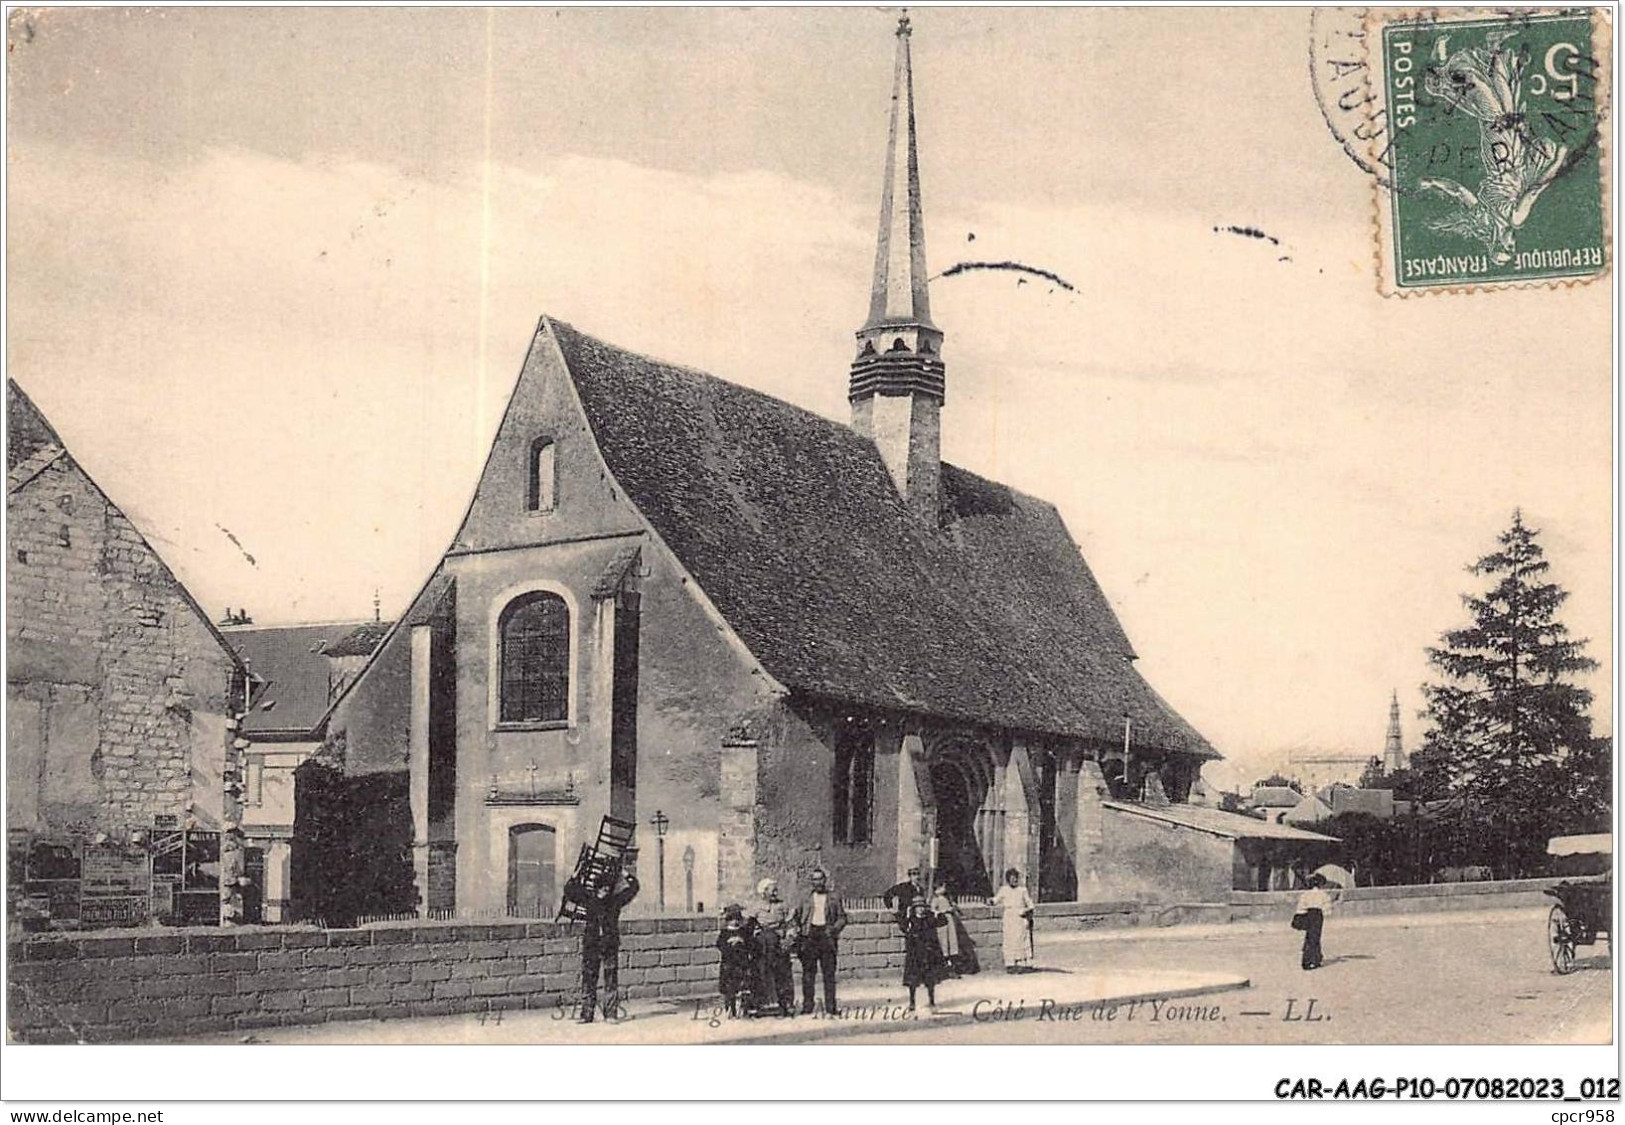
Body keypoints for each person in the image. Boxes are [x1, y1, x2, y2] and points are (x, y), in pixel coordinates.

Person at [578, 866, 639, 1023]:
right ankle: (586, 1014)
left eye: (607, 887)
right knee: (588, 979)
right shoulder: (589, 900)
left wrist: (623, 873)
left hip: (609, 945)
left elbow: (634, 887)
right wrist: (577, 873)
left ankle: (610, 1014)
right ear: (597, 888)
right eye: (602, 888)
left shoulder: (615, 902)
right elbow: (570, 890)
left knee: (610, 979)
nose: (605, 890)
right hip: (592, 945)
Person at [791, 867, 847, 1014]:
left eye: (820, 879)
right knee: (808, 974)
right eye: (815, 879)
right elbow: (796, 916)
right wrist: (797, 930)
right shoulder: (805, 898)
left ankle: (831, 1008)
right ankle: (807, 1007)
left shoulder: (834, 897)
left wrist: (834, 929)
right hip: (810, 936)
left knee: (829, 973)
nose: (818, 882)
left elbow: (842, 918)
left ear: (825, 880)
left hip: (827, 936)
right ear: (811, 882)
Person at [749, 877, 797, 1017]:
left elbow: (791, 924)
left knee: (783, 975)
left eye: (776, 889)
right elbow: (749, 926)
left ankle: (786, 1003)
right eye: (772, 890)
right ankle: (761, 1004)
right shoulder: (755, 907)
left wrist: (788, 939)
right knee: (761, 973)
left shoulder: (783, 906)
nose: (775, 892)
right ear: (763, 892)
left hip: (779, 946)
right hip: (762, 948)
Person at [900, 894, 948, 1011]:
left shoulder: (930, 918)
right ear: (914, 908)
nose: (920, 909)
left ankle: (931, 1002)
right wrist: (906, 916)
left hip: (928, 953)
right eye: (918, 907)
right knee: (912, 981)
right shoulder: (911, 920)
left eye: (922, 907)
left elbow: (943, 922)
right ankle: (912, 1003)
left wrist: (938, 913)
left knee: (930, 980)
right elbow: (903, 927)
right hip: (915, 954)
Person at [716, 903, 757, 1016]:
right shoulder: (724, 933)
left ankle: (744, 1008)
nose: (735, 922)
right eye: (732, 919)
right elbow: (720, 945)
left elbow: (751, 945)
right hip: (729, 964)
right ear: (728, 921)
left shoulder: (744, 932)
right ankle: (730, 1008)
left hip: (742, 964)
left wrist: (741, 942)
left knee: (743, 985)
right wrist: (729, 944)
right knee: (730, 987)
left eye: (737, 919)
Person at [992, 867, 1035, 972]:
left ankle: (1021, 964)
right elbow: (995, 900)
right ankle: (1010, 964)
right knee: (1009, 940)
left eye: (1016, 878)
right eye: (1012, 878)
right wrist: (989, 901)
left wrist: (1025, 911)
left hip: (1019, 918)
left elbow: (1030, 904)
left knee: (1020, 940)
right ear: (1008, 879)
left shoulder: (1022, 890)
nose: (1014, 880)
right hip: (1009, 918)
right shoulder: (1004, 890)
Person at [1294, 874, 1338, 970]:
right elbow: (1327, 910)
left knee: (1309, 936)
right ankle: (1314, 959)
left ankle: (1307, 960)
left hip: (1308, 914)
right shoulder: (1323, 894)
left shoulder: (1305, 894)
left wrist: (1300, 916)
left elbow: (1301, 907)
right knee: (1316, 937)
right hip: (1317, 916)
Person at [930, 883, 963, 977]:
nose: (943, 889)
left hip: (950, 920)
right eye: (941, 887)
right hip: (942, 921)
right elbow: (933, 910)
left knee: (952, 941)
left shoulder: (948, 898)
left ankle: (953, 966)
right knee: (944, 942)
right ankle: (946, 966)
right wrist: (939, 913)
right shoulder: (936, 899)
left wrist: (953, 908)